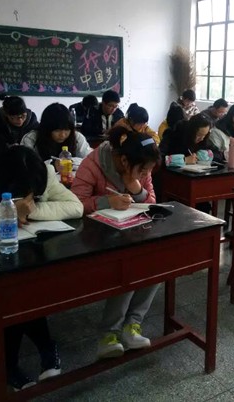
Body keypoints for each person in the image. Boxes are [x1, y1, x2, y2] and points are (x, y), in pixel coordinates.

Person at [0, 146, 83, 390]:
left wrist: (32, 209)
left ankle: (20, 358)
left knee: (26, 289)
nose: (30, 194)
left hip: (32, 252)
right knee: (15, 294)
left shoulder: (44, 172)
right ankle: (30, 353)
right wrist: (5, 212)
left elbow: (76, 207)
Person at [71, 127, 160, 359]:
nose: (145, 174)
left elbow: (151, 201)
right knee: (128, 267)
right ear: (124, 160)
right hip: (94, 236)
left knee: (157, 262)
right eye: (142, 170)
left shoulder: (142, 166)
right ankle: (109, 334)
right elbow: (75, 202)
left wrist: (136, 187)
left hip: (129, 231)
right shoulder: (93, 164)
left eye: (148, 171)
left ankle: (132, 325)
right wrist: (106, 202)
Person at [21, 102, 92, 165]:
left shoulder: (77, 137)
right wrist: (52, 165)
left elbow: (90, 160)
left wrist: (70, 162)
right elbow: (26, 165)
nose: (62, 135)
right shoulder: (31, 138)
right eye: (57, 130)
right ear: (47, 128)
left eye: (67, 130)